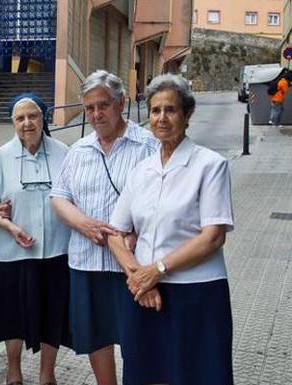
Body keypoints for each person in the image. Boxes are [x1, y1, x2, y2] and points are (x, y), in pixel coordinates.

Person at [107, 73, 234, 385]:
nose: (161, 118)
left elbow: (213, 236)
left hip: (196, 294)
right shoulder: (141, 170)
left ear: (187, 115)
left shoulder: (210, 165)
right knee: (146, 373)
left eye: (171, 110)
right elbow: (115, 232)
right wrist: (139, 275)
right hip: (143, 294)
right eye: (155, 110)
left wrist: (158, 270)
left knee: (196, 374)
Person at [50, 70, 158, 385]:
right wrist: (82, 223)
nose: (97, 114)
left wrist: (137, 234)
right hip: (85, 262)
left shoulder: (148, 146)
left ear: (121, 103)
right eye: (90, 108)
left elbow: (161, 200)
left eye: (104, 105)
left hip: (133, 265)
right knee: (96, 336)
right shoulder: (79, 150)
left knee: (137, 336)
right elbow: (59, 197)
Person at [0, 93, 71, 385]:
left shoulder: (64, 153)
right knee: (12, 316)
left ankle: (47, 373)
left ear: (44, 118)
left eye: (33, 116)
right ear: (13, 122)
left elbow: (74, 198)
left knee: (52, 313)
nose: (27, 123)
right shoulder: (1, 157)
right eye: (20, 118)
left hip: (56, 250)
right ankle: (14, 371)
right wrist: (6, 222)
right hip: (13, 252)